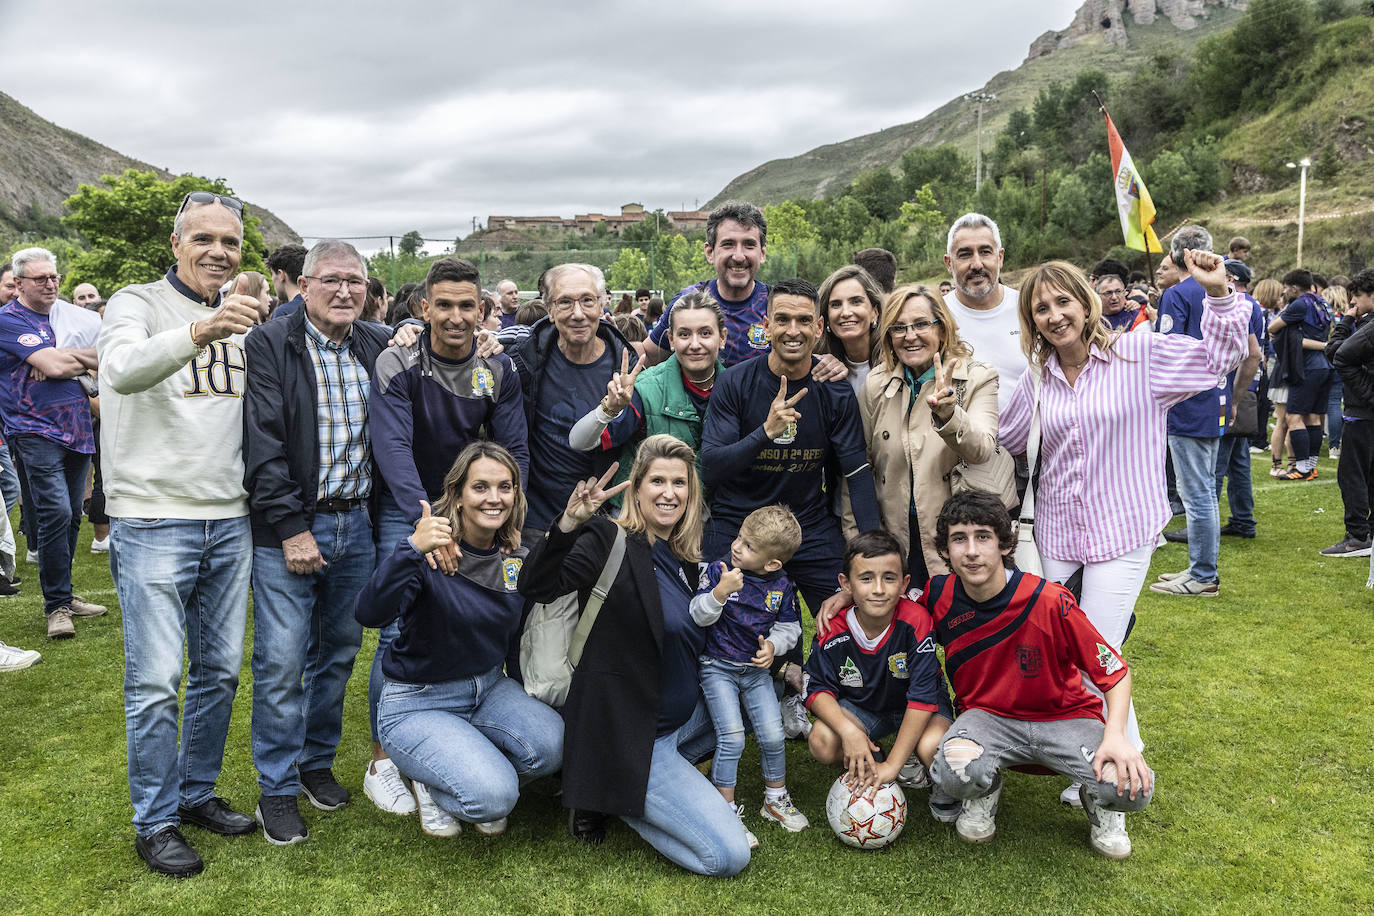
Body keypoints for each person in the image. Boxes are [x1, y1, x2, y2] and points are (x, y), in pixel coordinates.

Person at [997, 255, 1244, 784]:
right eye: (1041, 308)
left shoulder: (1140, 356)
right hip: (1057, 533)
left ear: (1086, 304)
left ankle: (1113, 776)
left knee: (1097, 652)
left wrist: (1219, 292)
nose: (1054, 315)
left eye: (1063, 301)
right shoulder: (1038, 379)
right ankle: (1115, 755)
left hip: (1123, 531)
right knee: (1064, 652)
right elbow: (1009, 440)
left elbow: (1220, 357)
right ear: (1031, 320)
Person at [99, 191, 263, 876]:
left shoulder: (247, 320)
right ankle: (155, 820)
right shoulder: (134, 304)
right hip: (152, 517)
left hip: (230, 518)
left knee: (220, 672)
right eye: (203, 239)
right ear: (175, 244)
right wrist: (202, 330)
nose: (217, 252)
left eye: (229, 241)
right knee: (158, 679)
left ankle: (195, 794)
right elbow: (120, 370)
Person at [519, 435, 752, 878]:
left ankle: (613, 789)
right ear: (636, 487)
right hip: (632, 733)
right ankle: (608, 791)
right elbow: (536, 585)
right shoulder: (608, 540)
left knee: (750, 695)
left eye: (680, 483)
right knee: (728, 855)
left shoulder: (685, 557)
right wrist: (569, 524)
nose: (669, 493)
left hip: (677, 721)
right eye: (657, 481)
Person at [365, 256, 527, 813]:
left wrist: (504, 515)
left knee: (479, 605)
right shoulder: (398, 359)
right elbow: (392, 447)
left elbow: (513, 447)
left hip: (475, 501)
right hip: (410, 503)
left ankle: (453, 743)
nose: (455, 316)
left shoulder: (497, 367)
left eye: (467, 305)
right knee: (396, 629)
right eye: (445, 305)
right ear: (423, 307)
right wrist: (427, 524)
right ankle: (388, 758)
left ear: (482, 310)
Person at [242, 239, 391, 845]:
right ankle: (275, 788)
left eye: (354, 280)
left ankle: (313, 764)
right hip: (291, 526)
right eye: (330, 280)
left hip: (357, 523)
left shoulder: (378, 345)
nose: (343, 291)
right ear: (302, 286)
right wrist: (290, 527)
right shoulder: (272, 344)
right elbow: (263, 443)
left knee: (337, 654)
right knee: (281, 661)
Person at [924, 491, 1153, 859]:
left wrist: (1116, 736)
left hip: (1064, 717)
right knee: (952, 771)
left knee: (1131, 789)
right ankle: (984, 792)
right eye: (958, 539)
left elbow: (1115, 672)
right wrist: (844, 597)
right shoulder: (939, 594)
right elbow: (893, 614)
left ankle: (1101, 806)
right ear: (945, 550)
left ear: (1003, 543)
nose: (971, 550)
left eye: (983, 536)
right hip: (987, 719)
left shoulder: (1050, 600)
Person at [700, 278, 882, 738]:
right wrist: (764, 431)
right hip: (738, 521)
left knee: (852, 612)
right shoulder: (736, 382)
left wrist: (874, 546)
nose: (794, 330)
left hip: (807, 522)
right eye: (783, 319)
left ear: (820, 328)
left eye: (805, 320)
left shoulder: (833, 390)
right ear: (767, 324)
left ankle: (830, 695)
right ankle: (713, 710)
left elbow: (855, 469)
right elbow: (713, 466)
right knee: (711, 613)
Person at [358, 442, 562, 838]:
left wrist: (571, 519)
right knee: (495, 798)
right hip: (418, 700)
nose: (494, 498)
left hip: (487, 688)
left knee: (552, 746)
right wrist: (411, 550)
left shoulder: (513, 554)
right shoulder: (432, 552)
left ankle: (453, 762)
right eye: (480, 487)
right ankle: (433, 780)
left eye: (505, 487)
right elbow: (369, 613)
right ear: (458, 494)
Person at [855, 284, 1000, 590]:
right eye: (899, 327)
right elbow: (862, 463)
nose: (910, 335)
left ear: (942, 330)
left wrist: (949, 414)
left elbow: (982, 449)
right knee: (908, 628)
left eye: (921, 324)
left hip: (958, 532)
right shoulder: (876, 383)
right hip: (896, 534)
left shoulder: (977, 377)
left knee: (961, 624)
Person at [805, 529, 951, 808]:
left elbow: (922, 697)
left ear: (904, 583)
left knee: (933, 747)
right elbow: (817, 690)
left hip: (920, 709)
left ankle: (924, 772)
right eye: (866, 578)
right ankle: (875, 752)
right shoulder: (833, 626)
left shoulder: (916, 621)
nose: (879, 589)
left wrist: (892, 768)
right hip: (867, 708)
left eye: (889, 578)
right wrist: (850, 732)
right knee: (822, 741)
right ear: (845, 584)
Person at [0, 248, 104, 639]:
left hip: (78, 426)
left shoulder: (67, 318)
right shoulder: (9, 320)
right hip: (33, 430)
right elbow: (58, 367)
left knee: (74, 514)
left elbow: (106, 352)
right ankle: (56, 606)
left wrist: (59, 358)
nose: (50, 284)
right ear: (20, 283)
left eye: (54, 277)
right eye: (40, 279)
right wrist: (66, 361)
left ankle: (66, 595)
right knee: (55, 512)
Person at [692, 505, 807, 848]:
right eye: (739, 538)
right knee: (732, 737)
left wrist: (773, 646)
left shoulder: (782, 585)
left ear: (773, 563)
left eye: (749, 546)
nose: (737, 547)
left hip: (755, 672)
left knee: (773, 735)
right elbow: (697, 615)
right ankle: (723, 808)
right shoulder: (718, 570)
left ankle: (775, 800)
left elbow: (791, 628)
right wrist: (719, 593)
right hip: (717, 668)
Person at [507, 263, 632, 543]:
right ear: (548, 310)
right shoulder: (523, 358)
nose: (578, 314)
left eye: (587, 301)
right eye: (565, 302)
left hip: (601, 522)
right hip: (534, 521)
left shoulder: (629, 369)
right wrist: (409, 329)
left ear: (601, 305)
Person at [568, 290, 724, 491]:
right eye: (684, 334)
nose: (695, 344)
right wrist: (608, 409)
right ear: (670, 339)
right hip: (641, 513)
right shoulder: (645, 388)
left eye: (705, 333)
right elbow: (579, 441)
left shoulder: (738, 387)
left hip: (708, 513)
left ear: (722, 337)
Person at [1154, 227, 1229, 594]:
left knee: (1197, 494)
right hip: (1214, 400)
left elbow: (1168, 353)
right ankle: (1199, 568)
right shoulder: (1222, 289)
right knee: (1204, 491)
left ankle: (1203, 575)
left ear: (1179, 256)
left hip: (1187, 405)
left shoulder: (1177, 293)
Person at [642, 202, 770, 369]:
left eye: (749, 245)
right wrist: (608, 340)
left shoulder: (776, 305)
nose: (739, 256)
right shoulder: (687, 300)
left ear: (762, 253)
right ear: (710, 253)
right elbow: (648, 355)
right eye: (728, 244)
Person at [941, 213, 1024, 414]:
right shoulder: (937, 317)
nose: (977, 264)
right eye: (965, 254)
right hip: (960, 442)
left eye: (985, 252)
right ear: (949, 263)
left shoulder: (1028, 308)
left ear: (1000, 257)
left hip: (1033, 443)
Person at [1207, 259, 1265, 541]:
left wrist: (1233, 398)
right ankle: (1243, 519)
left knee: (1216, 464)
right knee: (1239, 462)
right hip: (1244, 387)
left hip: (1231, 389)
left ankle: (1206, 526)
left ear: (1228, 277)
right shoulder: (1253, 304)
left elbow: (1251, 353)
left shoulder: (1240, 304)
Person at [1323, 269, 1374, 558]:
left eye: (1358, 295)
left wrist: (1345, 320)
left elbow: (1337, 354)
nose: (1353, 300)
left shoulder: (1370, 325)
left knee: (1353, 473)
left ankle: (1356, 536)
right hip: (1365, 409)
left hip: (1362, 412)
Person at [1270, 269, 1333, 481]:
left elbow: (1273, 326)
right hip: (1323, 365)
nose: (1285, 290)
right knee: (1313, 416)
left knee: (1293, 416)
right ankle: (1311, 467)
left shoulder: (1299, 304)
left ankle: (1303, 468)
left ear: (1295, 287)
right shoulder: (1322, 302)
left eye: (1286, 287)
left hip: (1306, 366)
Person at [817, 264, 883, 394]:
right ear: (827, 319)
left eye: (856, 302)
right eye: (836, 305)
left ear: (874, 312)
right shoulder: (822, 369)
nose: (846, 312)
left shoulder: (896, 364)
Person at [1256, 278, 1293, 475]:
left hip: (1272, 361)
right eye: (1278, 294)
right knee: (1274, 411)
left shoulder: (1272, 313)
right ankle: (1274, 460)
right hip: (1271, 362)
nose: (1280, 298)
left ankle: (1289, 462)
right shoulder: (1264, 313)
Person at [1323, 285, 1349, 460]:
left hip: (1324, 362)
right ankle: (1336, 445)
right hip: (1343, 364)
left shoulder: (1324, 315)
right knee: (1337, 403)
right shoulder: (1349, 317)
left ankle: (1333, 444)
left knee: (1330, 404)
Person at [267, 243, 307, 322]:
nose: (272, 280)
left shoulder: (283, 313)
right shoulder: (317, 308)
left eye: (272, 274)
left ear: (281, 275)